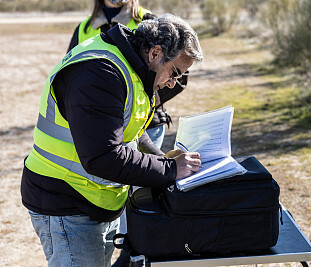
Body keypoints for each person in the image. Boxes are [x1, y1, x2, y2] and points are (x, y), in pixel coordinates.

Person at [21, 14, 203, 267]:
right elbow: (102, 156)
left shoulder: (134, 66)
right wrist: (170, 169)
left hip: (96, 202)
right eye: (175, 72)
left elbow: (132, 131)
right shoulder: (100, 72)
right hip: (65, 203)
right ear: (155, 53)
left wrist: (164, 158)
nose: (173, 82)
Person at [67, 0, 187, 150]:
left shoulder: (148, 19)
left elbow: (178, 74)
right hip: (103, 122)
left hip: (147, 125)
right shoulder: (83, 29)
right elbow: (72, 76)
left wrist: (142, 100)